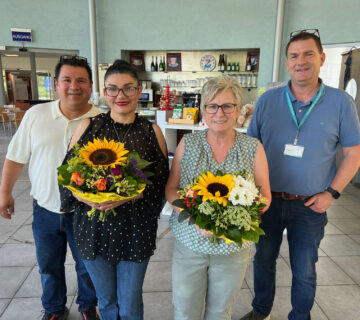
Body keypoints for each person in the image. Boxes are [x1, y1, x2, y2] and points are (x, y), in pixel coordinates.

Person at [241, 30, 360, 320]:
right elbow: (249, 150)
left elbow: (353, 154)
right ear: (286, 62)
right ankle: (261, 312)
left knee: (304, 268)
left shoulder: (340, 102)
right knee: (263, 260)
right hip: (267, 201)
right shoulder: (267, 101)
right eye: (294, 55)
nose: (301, 61)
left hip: (311, 203)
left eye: (308, 54)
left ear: (322, 58)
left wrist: (331, 193)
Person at [60, 59, 169, 320]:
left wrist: (131, 194)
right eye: (113, 89)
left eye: (128, 88)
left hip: (135, 229)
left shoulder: (151, 131)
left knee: (130, 306)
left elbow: (162, 182)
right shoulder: (88, 127)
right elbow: (66, 175)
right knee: (107, 303)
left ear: (139, 90)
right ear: (104, 92)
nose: (120, 96)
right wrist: (82, 195)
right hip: (93, 229)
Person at [0, 55, 100, 320]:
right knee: (48, 265)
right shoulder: (36, 115)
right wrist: (4, 192)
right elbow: (15, 156)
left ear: (90, 86)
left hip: (86, 213)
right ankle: (54, 309)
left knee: (88, 266)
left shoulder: (102, 121)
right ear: (56, 84)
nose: (73, 86)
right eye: (66, 80)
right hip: (45, 209)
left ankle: (88, 306)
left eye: (81, 80)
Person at [166, 76, 271, 320]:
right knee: (185, 309)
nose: (219, 113)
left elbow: (265, 196)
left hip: (233, 248)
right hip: (190, 243)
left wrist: (235, 221)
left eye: (227, 106)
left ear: (238, 110)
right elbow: (171, 189)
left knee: (220, 312)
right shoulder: (188, 143)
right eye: (212, 106)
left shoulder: (253, 147)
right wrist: (194, 217)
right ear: (203, 110)